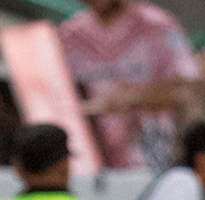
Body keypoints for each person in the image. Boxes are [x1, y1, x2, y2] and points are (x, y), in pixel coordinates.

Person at [59, 0, 200, 170]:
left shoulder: (157, 26)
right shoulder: (70, 34)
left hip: (153, 160)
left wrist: (137, 97)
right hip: (93, 164)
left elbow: (188, 90)